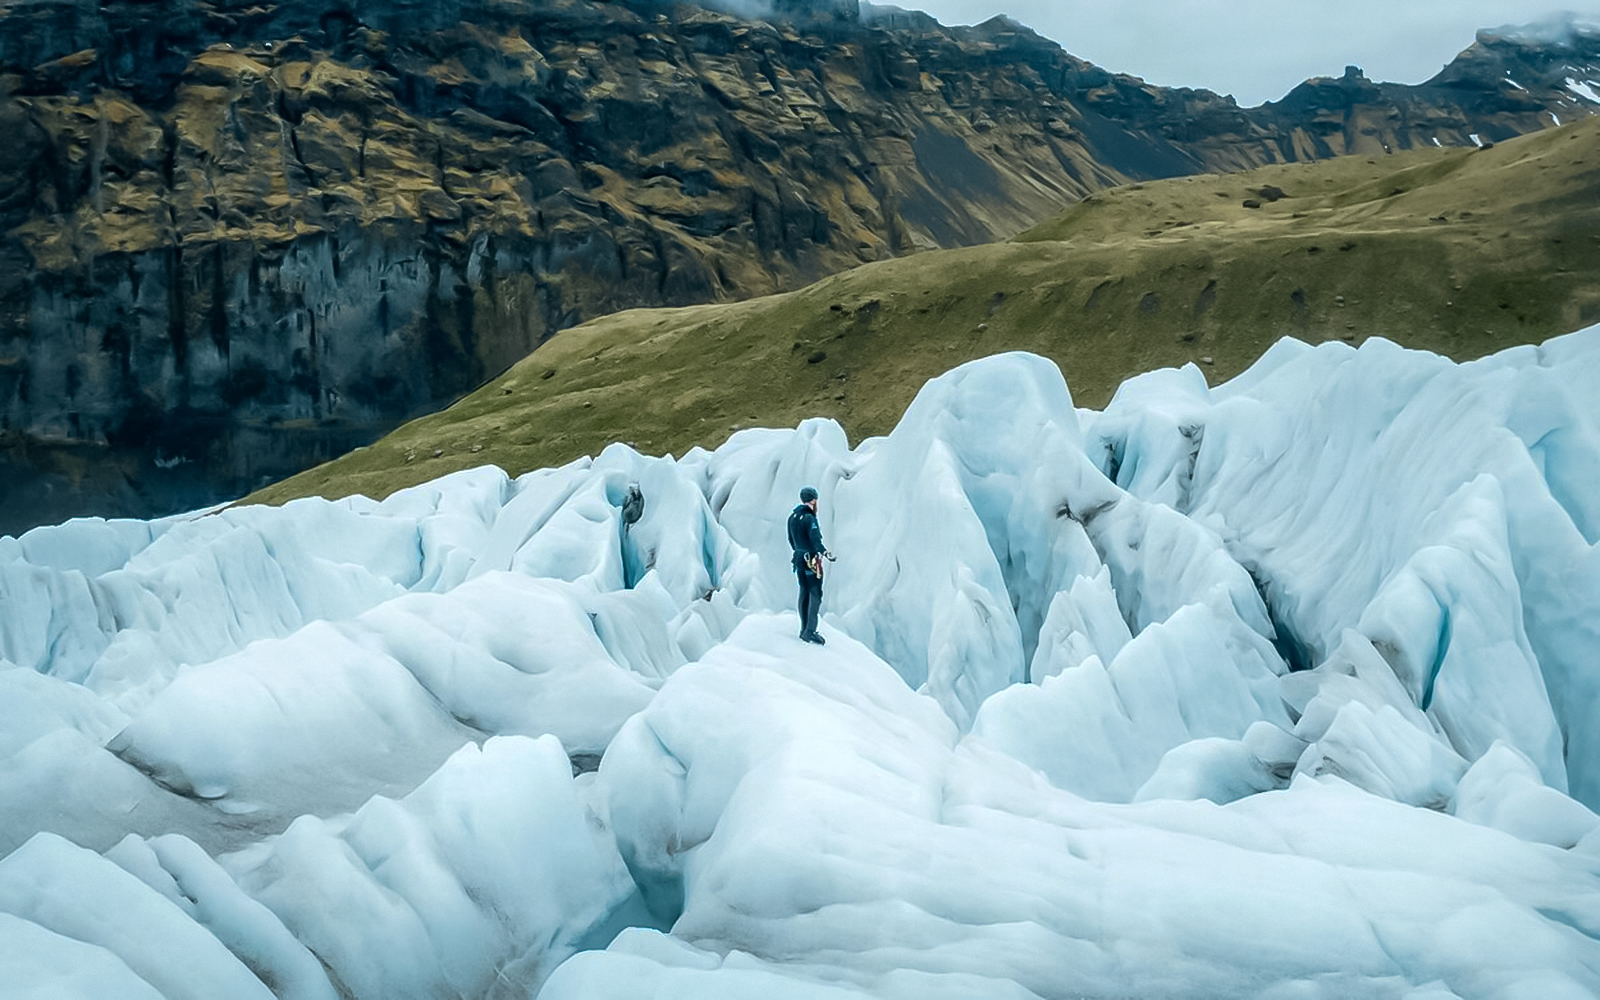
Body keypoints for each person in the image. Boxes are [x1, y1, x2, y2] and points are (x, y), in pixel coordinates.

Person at [787, 486, 832, 644]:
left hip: (798, 558)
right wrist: (825, 553)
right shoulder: (810, 518)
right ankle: (810, 631)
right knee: (815, 593)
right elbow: (815, 540)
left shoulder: (792, 517)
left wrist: (800, 551)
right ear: (813, 500)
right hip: (811, 560)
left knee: (804, 591)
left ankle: (803, 628)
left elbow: (791, 540)